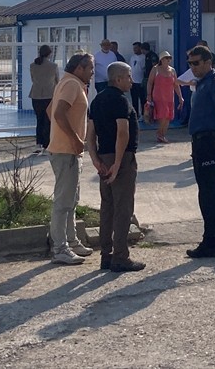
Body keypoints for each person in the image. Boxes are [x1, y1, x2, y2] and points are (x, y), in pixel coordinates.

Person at [86, 61, 144, 272]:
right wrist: (118, 164)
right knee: (123, 208)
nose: (131, 80)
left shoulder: (97, 100)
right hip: (122, 158)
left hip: (103, 157)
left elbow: (90, 134)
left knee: (107, 207)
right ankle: (120, 256)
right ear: (118, 79)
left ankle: (106, 254)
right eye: (128, 76)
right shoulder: (120, 101)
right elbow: (123, 133)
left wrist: (96, 160)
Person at [47, 53, 96, 265]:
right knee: (63, 201)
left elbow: (50, 111)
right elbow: (57, 113)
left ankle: (71, 240)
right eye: (90, 68)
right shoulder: (72, 85)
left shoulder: (68, 82)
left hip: (67, 149)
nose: (93, 72)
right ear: (79, 68)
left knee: (71, 200)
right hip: (66, 150)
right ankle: (60, 248)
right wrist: (75, 138)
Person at [185, 45, 215, 258]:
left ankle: (210, 241)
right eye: (190, 64)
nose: (192, 67)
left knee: (208, 192)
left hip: (209, 141)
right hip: (201, 140)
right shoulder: (202, 84)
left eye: (196, 63)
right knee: (213, 189)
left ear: (207, 62)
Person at [147, 51, 183, 143]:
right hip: (159, 96)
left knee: (168, 116)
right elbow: (150, 83)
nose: (168, 60)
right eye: (166, 58)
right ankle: (160, 133)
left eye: (169, 58)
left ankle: (162, 134)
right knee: (163, 115)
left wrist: (180, 97)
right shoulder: (155, 69)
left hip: (169, 97)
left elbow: (176, 84)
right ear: (161, 59)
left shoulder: (172, 70)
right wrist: (149, 95)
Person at [29, 44, 58, 152]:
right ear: (50, 54)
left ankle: (38, 143)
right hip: (49, 95)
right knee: (48, 120)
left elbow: (33, 79)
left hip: (36, 95)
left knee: (39, 119)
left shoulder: (33, 65)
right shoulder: (53, 66)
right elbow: (57, 81)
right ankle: (47, 145)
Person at [128, 42, 151, 118]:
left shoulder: (144, 57)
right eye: (133, 48)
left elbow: (145, 69)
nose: (134, 49)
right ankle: (136, 115)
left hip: (141, 82)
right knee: (134, 100)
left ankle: (144, 115)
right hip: (133, 82)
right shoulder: (132, 57)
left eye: (136, 48)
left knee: (143, 100)